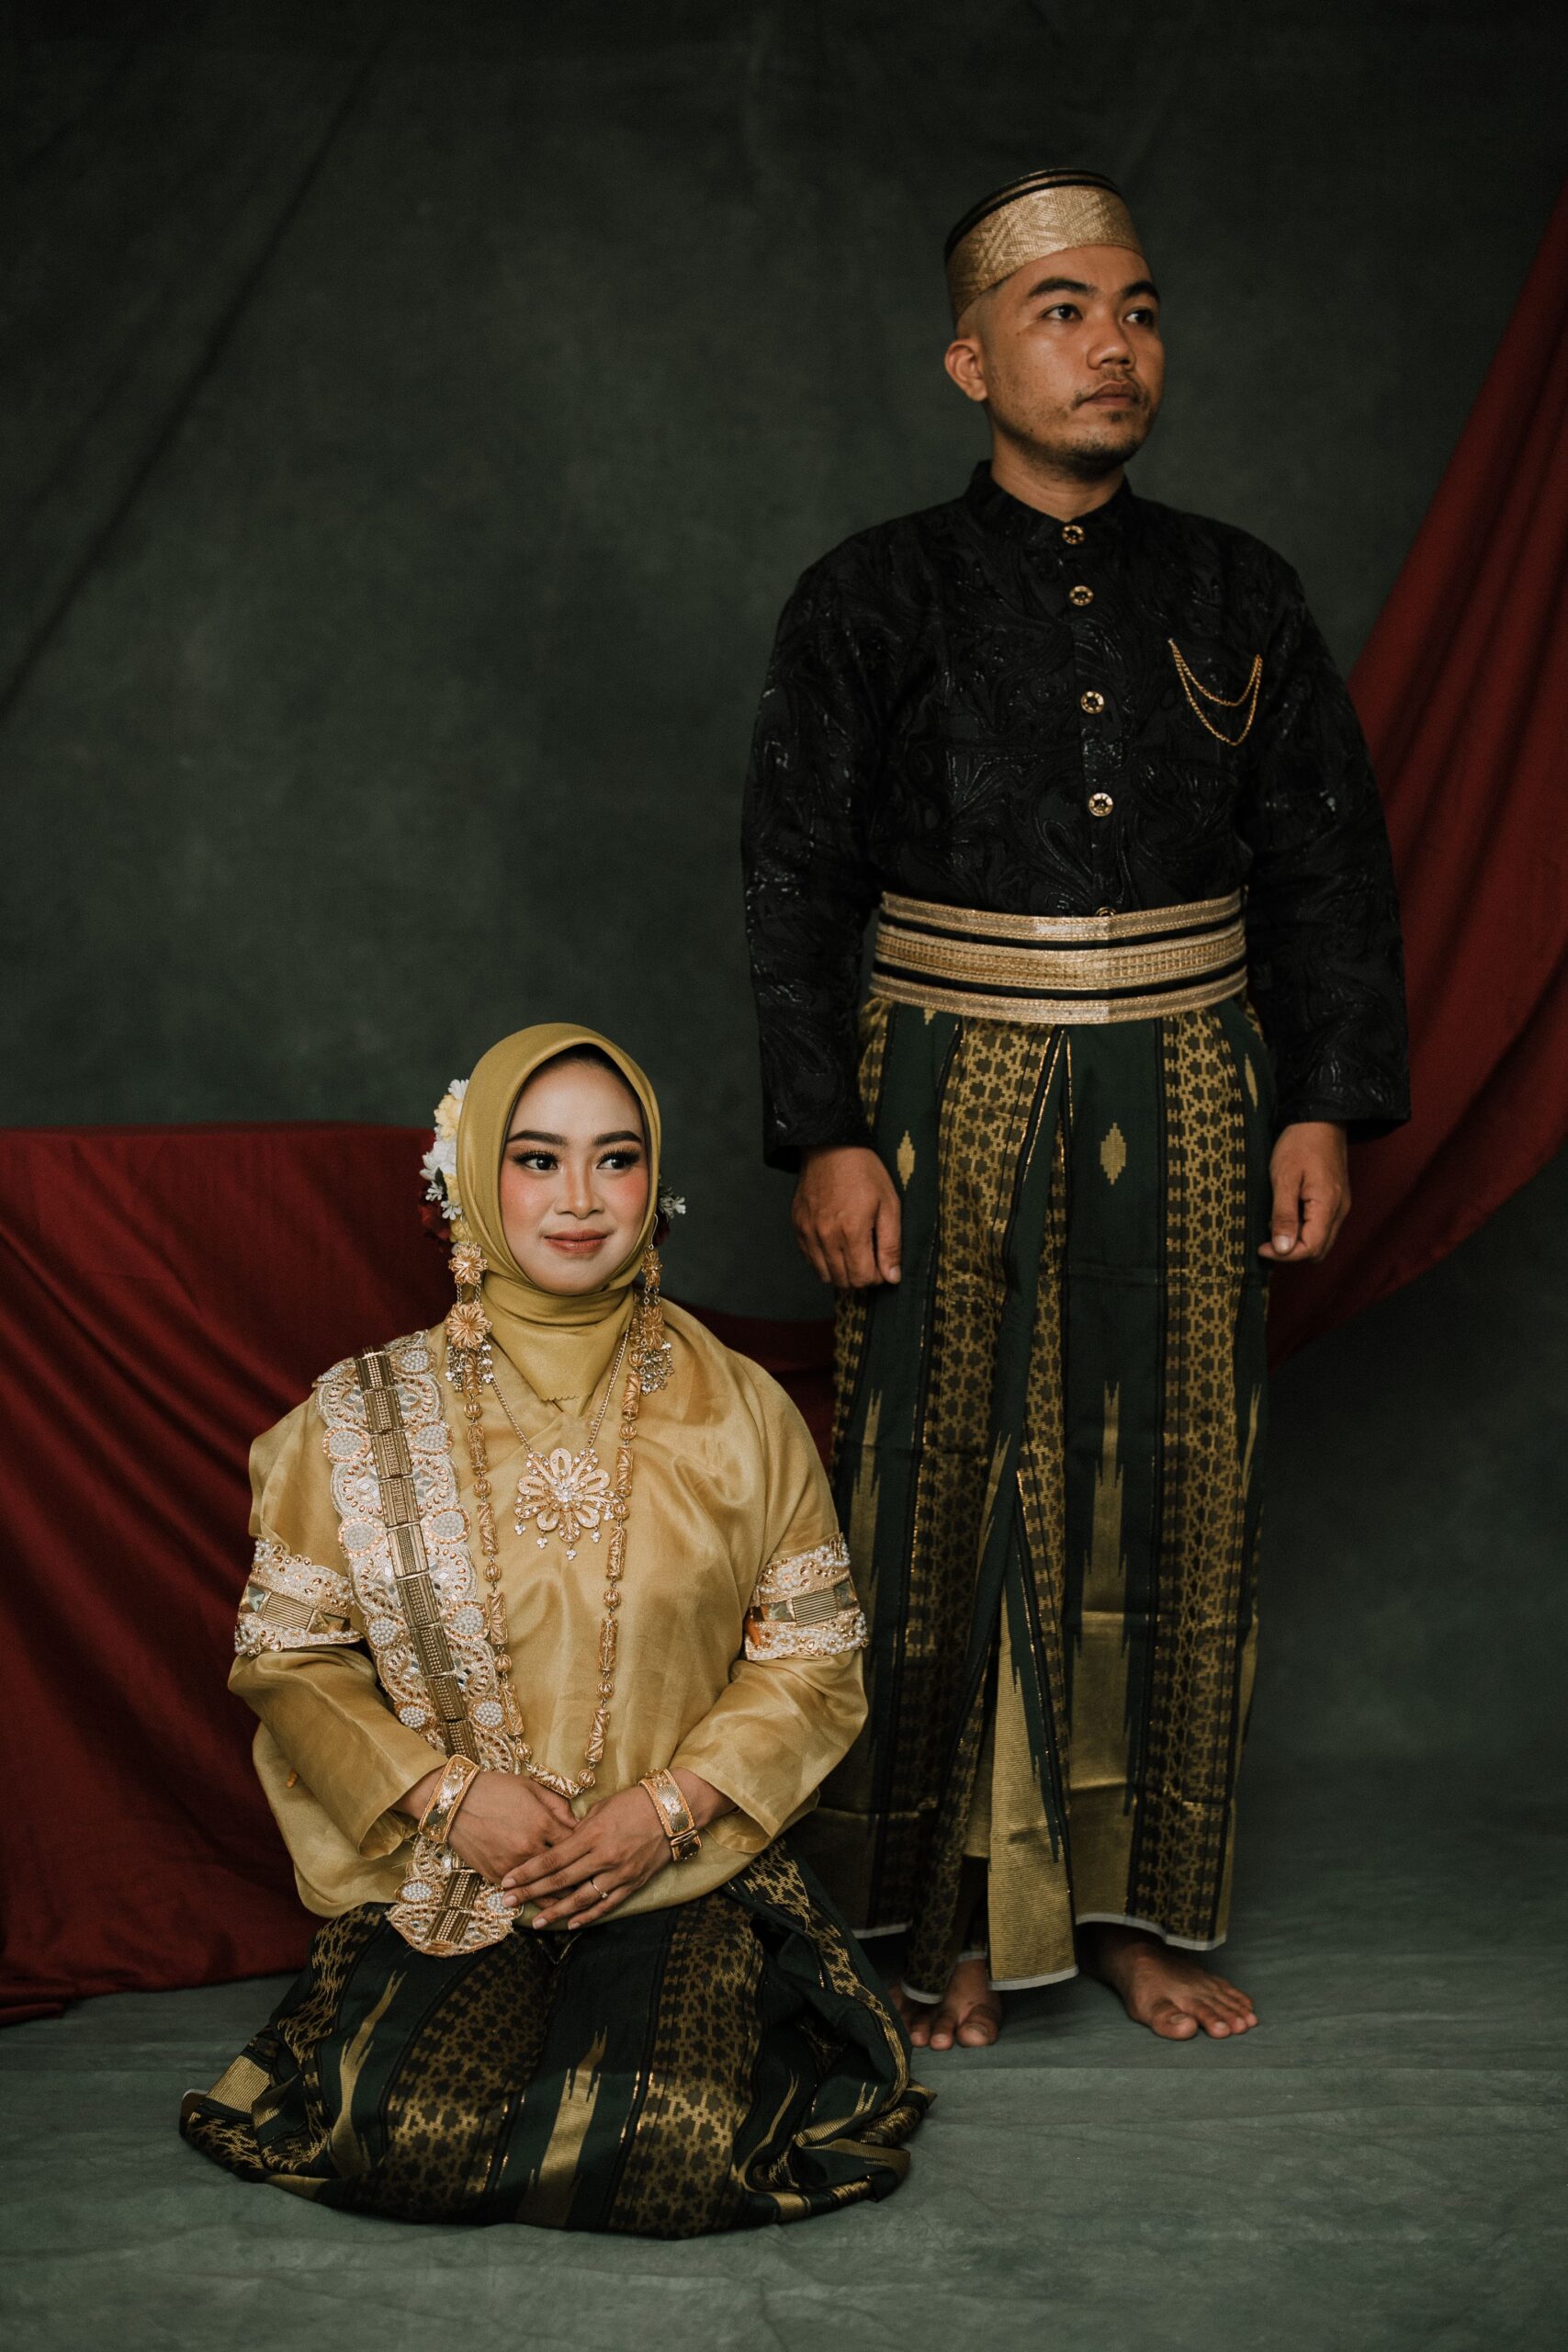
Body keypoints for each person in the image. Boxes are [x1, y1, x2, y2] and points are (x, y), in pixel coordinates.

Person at [741, 169, 1408, 2052]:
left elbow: (1327, 866)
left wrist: (1324, 1103)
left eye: (1138, 309)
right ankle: (943, 1916)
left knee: (1173, 1482)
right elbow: (791, 878)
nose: (1113, 344)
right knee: (932, 1483)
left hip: (1192, 1077)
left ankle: (1129, 1910)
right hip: (939, 1082)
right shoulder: (869, 593)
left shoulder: (1238, 588)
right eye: (1061, 312)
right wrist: (826, 1129)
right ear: (970, 362)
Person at [181, 1023, 927, 2231]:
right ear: (471, 1180)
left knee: (671, 2137)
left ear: (654, 1182)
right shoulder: (358, 1417)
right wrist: (445, 1797)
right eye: (537, 1159)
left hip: (682, 1869)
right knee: (406, 2133)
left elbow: (812, 1660)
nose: (580, 1199)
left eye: (615, 1159)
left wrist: (665, 1810)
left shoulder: (744, 1412)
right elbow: (289, 1657)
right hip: (453, 1871)